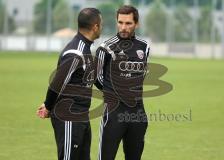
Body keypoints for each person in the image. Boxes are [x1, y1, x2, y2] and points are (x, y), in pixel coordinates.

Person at [36, 8, 102, 160]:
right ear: (95, 26)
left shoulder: (85, 49)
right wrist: (48, 105)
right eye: (101, 24)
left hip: (81, 116)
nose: (101, 27)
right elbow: (57, 83)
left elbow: (94, 79)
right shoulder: (76, 52)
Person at [95, 5, 150, 160]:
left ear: (137, 24)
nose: (123, 27)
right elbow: (97, 78)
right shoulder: (105, 48)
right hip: (113, 114)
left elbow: (142, 74)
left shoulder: (144, 47)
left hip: (137, 114)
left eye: (128, 23)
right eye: (120, 22)